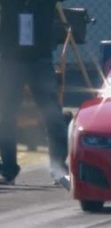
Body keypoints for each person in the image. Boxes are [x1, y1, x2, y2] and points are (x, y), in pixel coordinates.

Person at [0, 0, 68, 185]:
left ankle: (58, 168)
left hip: (40, 60)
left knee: (52, 115)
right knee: (6, 116)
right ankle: (8, 170)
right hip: (10, 60)